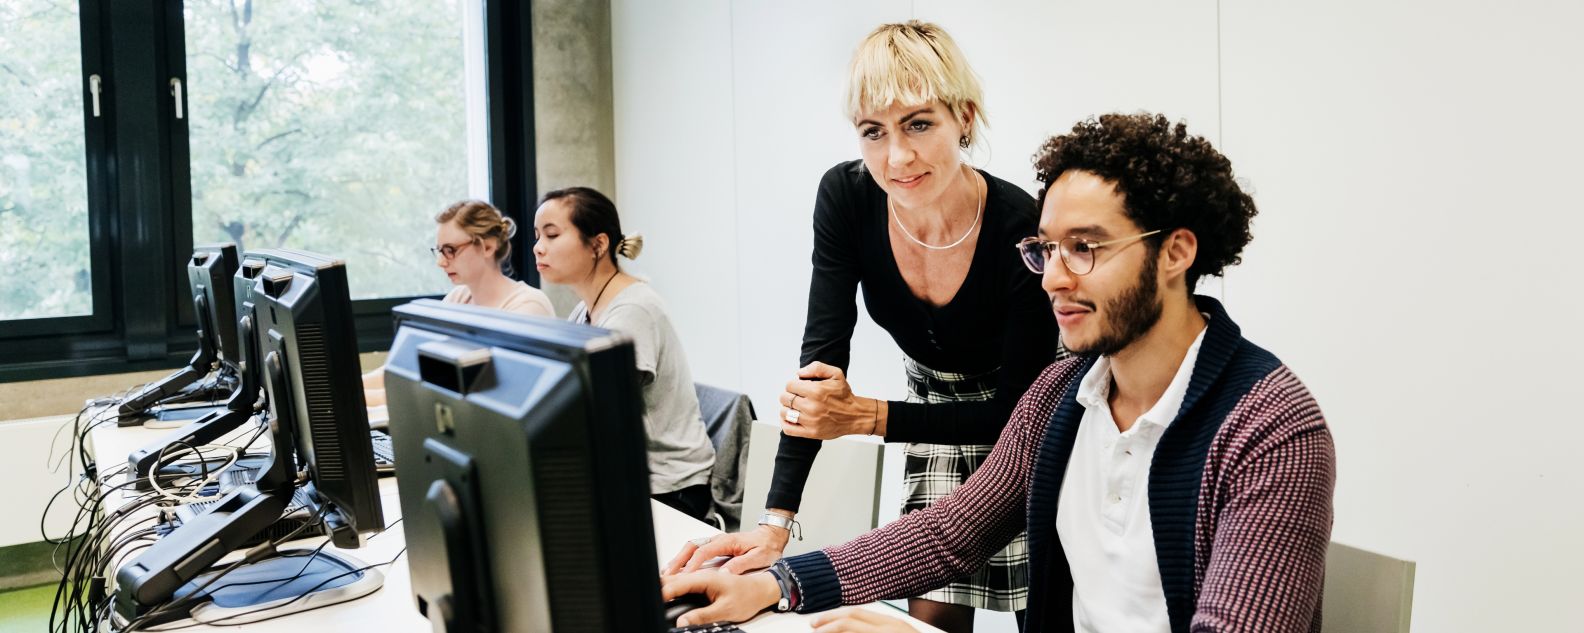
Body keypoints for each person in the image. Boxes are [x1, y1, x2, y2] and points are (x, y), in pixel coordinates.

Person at [661, 113, 1337, 633]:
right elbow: (949, 534)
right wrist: (777, 581)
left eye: (1086, 249)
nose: (1055, 279)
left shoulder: (1271, 428)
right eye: (1046, 249)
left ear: (1175, 253)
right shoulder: (1063, 394)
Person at [666, 21, 1060, 632]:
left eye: (919, 124)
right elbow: (818, 376)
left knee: (1043, 601)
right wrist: (774, 528)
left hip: (1030, 417)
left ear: (964, 117)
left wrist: (870, 417)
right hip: (932, 413)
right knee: (930, 610)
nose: (896, 157)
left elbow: (1015, 411)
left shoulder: (1020, 226)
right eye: (874, 131)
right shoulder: (847, 197)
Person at [532, 186, 717, 522]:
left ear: (598, 244)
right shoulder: (585, 310)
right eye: (537, 236)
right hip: (627, 476)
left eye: (552, 235)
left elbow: (600, 415)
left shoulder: (632, 310)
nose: (538, 248)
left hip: (669, 489)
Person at [364, 200, 553, 407]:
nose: (441, 262)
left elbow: (471, 391)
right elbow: (407, 365)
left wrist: (362, 398)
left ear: (488, 246)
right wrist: (353, 386)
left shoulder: (527, 306)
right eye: (439, 251)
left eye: (450, 250)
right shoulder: (457, 299)